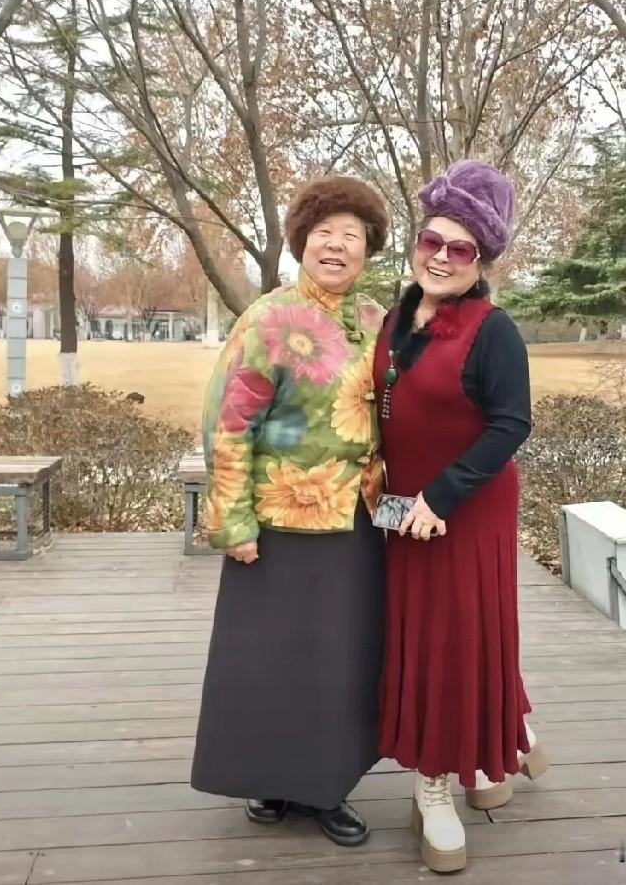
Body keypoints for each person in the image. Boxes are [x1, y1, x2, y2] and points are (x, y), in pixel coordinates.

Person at [191, 176, 389, 847]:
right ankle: (268, 778)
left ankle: (325, 786)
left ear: (368, 249)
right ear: (302, 240)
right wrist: (233, 520)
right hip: (277, 521)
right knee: (268, 659)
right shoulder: (269, 318)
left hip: (354, 521)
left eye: (351, 235)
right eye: (324, 232)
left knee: (337, 659)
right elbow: (229, 422)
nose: (336, 245)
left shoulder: (376, 321)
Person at [373, 159, 546, 874]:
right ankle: (502, 738)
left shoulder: (493, 330)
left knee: (456, 637)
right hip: (401, 511)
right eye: (431, 241)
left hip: (463, 509)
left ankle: (436, 781)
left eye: (460, 248)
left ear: (481, 260)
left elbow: (511, 424)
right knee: (424, 637)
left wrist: (440, 497)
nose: (440, 257)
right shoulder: (396, 317)